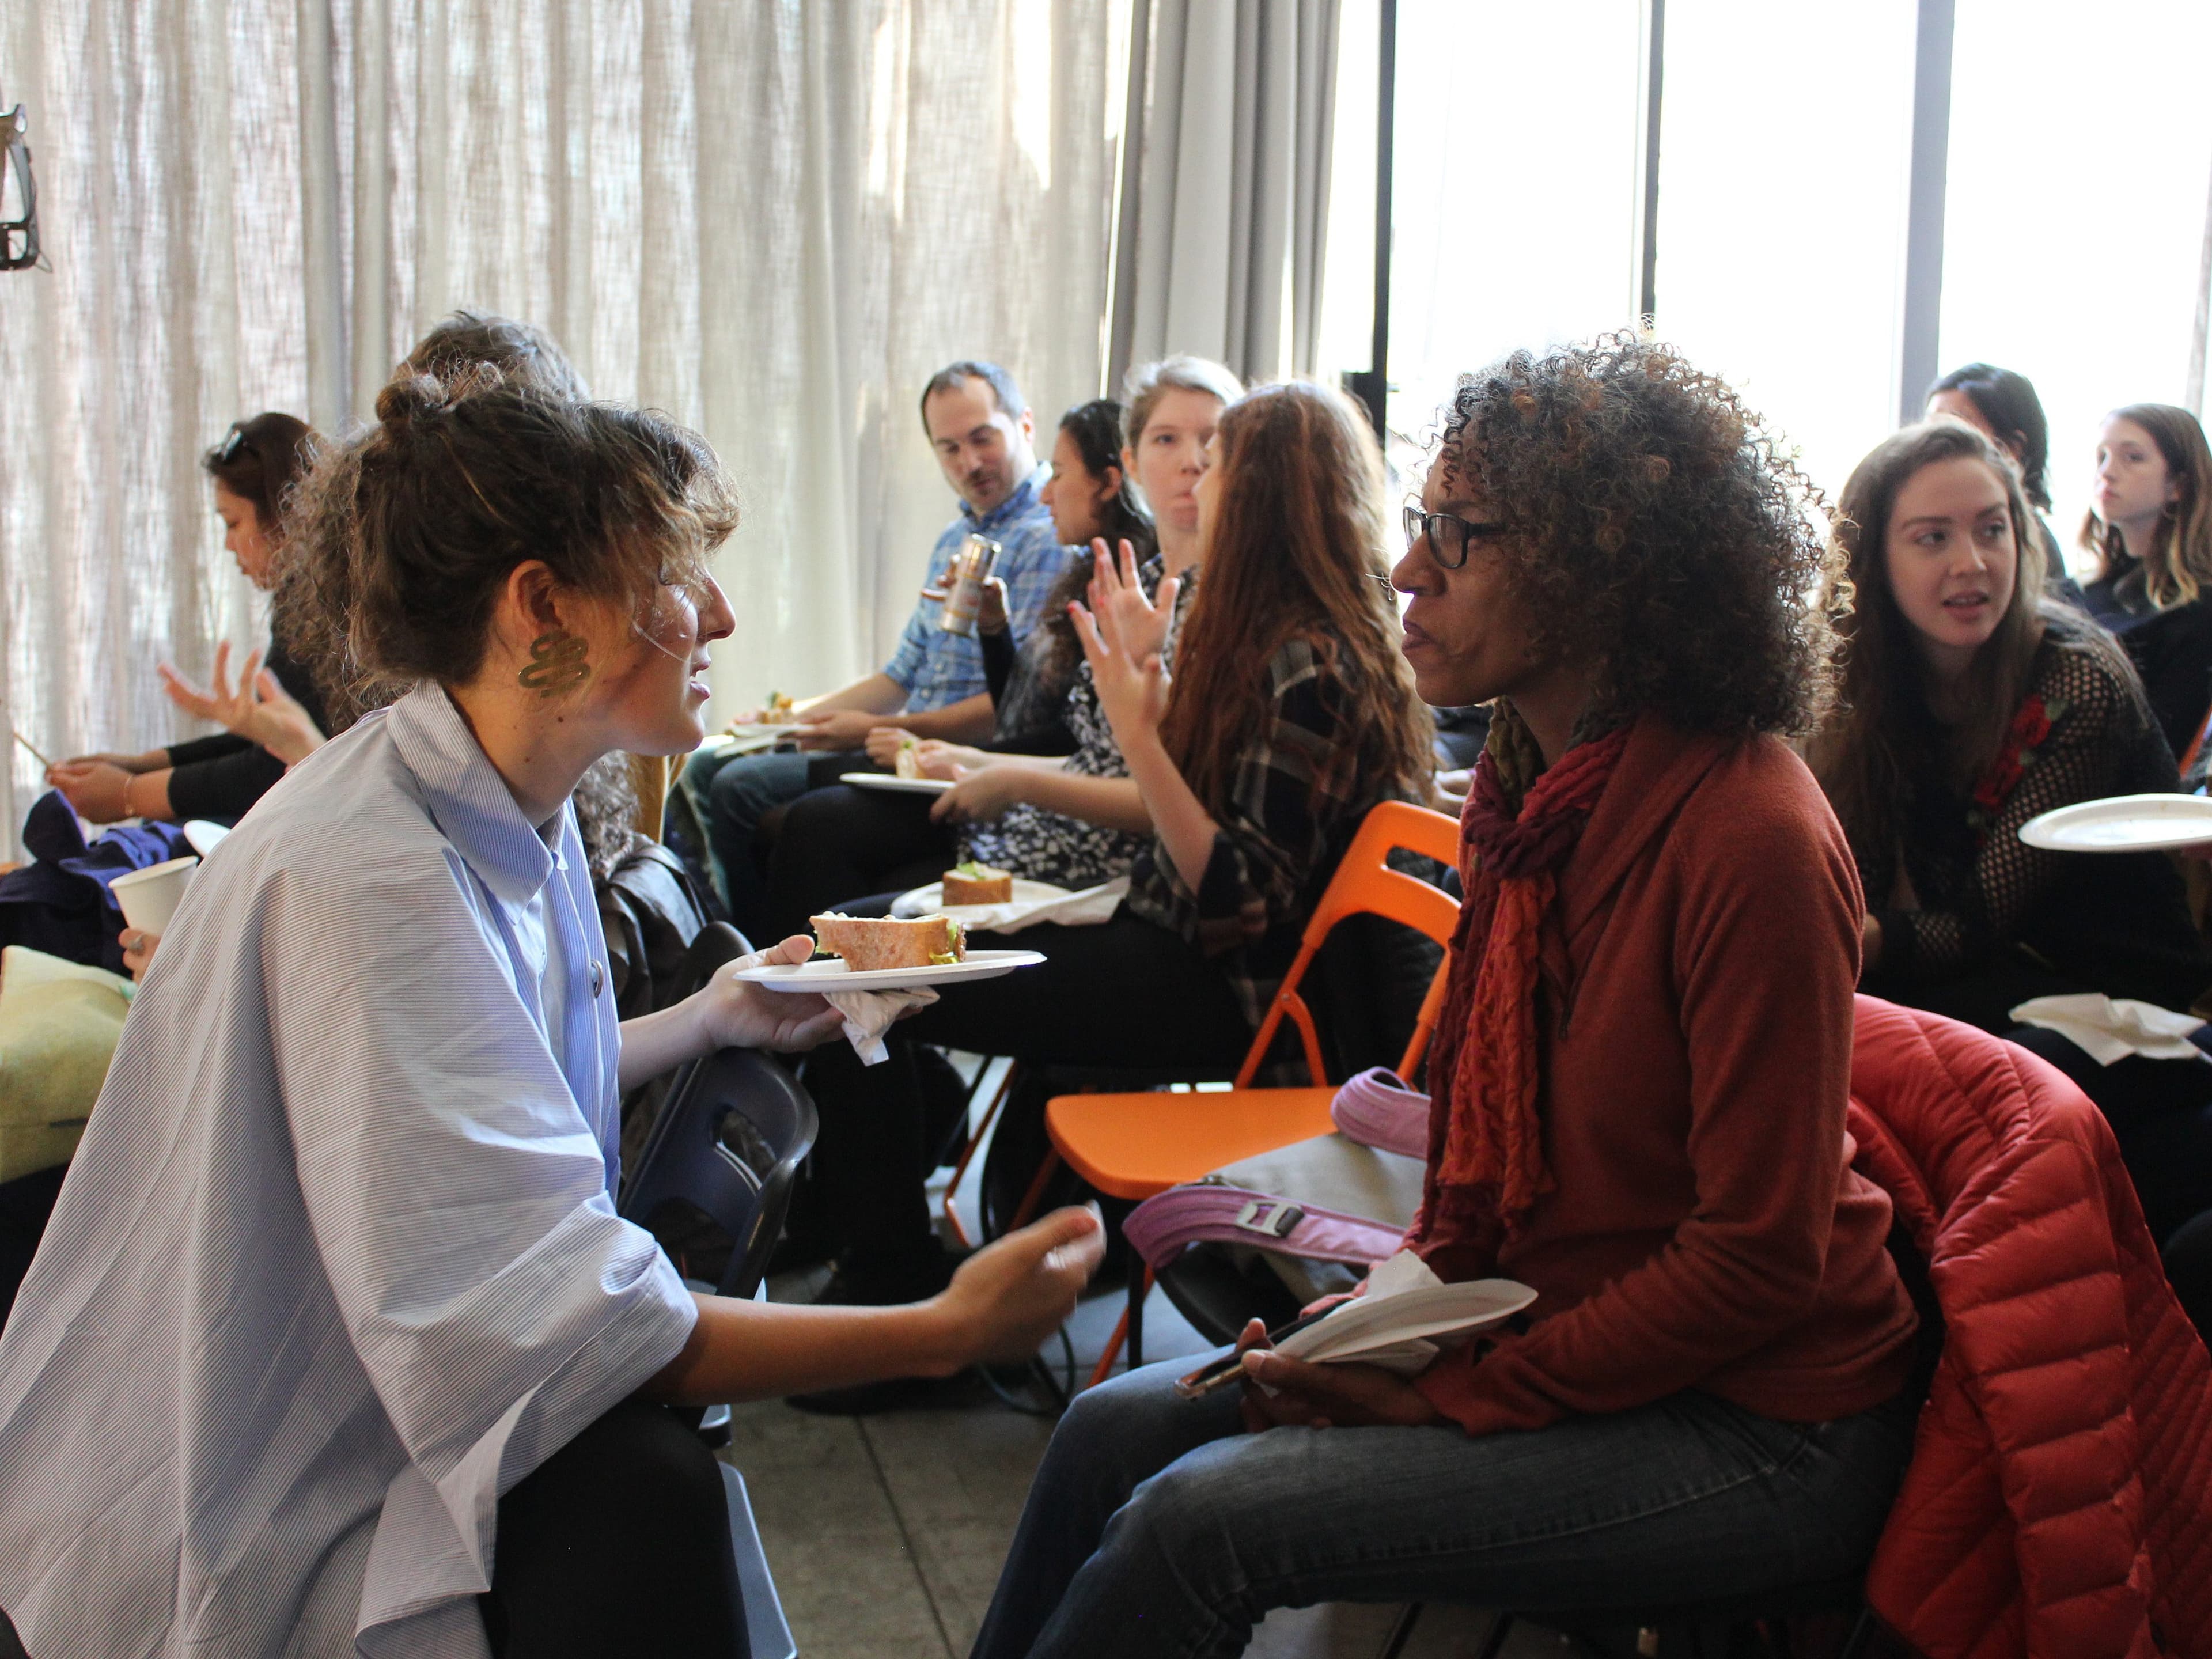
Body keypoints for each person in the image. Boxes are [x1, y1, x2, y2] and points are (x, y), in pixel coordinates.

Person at [0, 376, 1104, 1659]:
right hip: (260, 1488)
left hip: (362, 1398)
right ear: (542, 606)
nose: (723, 614)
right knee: (640, 1499)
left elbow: (476, 1095)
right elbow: (559, 1324)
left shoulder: (495, 793)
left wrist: (710, 1016)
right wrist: (939, 1332)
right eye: (682, 574)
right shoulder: (372, 876)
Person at [968, 335, 1922, 1658]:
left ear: (1600, 570)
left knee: (1200, 1520)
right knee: (1109, 1425)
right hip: (1568, 1330)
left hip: (1765, 1426)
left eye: (1457, 536)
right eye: (1420, 524)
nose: (1408, 567)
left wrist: (1459, 1388)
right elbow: (1499, 1177)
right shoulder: (1534, 798)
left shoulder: (1745, 829)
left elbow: (1752, 1260)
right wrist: (1372, 1330)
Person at [796, 377, 1433, 1379]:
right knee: (849, 950)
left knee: (854, 966)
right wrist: (1150, 710)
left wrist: (1140, 731)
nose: (1196, 478)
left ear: (1259, 492)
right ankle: (900, 1273)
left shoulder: (1310, 662)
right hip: (1154, 935)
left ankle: (896, 1308)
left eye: (1215, 459)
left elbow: (1239, 908)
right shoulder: (1272, 637)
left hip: (1214, 987)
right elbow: (1204, 827)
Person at [1806, 417, 2212, 1250]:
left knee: (1901, 1068)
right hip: (1999, 978)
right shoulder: (1869, 682)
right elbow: (1866, 872)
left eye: (1993, 529)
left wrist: (1823, 939)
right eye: (1933, 538)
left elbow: (1970, 925)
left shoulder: (2075, 680)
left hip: (2117, 998)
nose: (1973, 562)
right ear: (1875, 560)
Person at [679, 360, 1073, 935]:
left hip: (942, 753)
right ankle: (730, 962)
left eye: (982, 438)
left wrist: (876, 730)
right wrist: (786, 722)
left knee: (736, 786)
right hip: (903, 740)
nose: (970, 462)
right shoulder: (957, 536)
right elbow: (901, 672)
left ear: (1025, 426)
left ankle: (753, 955)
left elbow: (1018, 708)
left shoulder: (1047, 535)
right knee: (717, 757)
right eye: (950, 448)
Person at [759, 395, 1168, 935]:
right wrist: (994, 627)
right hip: (1014, 780)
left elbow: (1066, 739)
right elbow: (1020, 710)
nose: (1046, 491)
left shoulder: (1129, 586)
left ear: (1110, 482)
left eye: (1060, 473)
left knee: (806, 822)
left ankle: (797, 997)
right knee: (797, 817)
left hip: (1053, 810)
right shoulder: (1078, 571)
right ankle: (783, 990)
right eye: (948, 447)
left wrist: (965, 757)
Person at [45, 412, 328, 825]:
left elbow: (270, 772)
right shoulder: (299, 603)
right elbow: (266, 744)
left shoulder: (326, 613)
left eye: (233, 523)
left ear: (287, 514)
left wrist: (131, 794)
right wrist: (139, 767)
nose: (229, 545)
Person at [2075, 404, 2212, 757]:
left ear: (2178, 485)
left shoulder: (2196, 612)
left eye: (2132, 458)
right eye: (2101, 457)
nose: (2107, 473)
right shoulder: (2076, 590)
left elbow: (2163, 750)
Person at [1926, 362, 2074, 592]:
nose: (1931, 444)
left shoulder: (2031, 542)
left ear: (2011, 448)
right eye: (1930, 428)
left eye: (1954, 429)